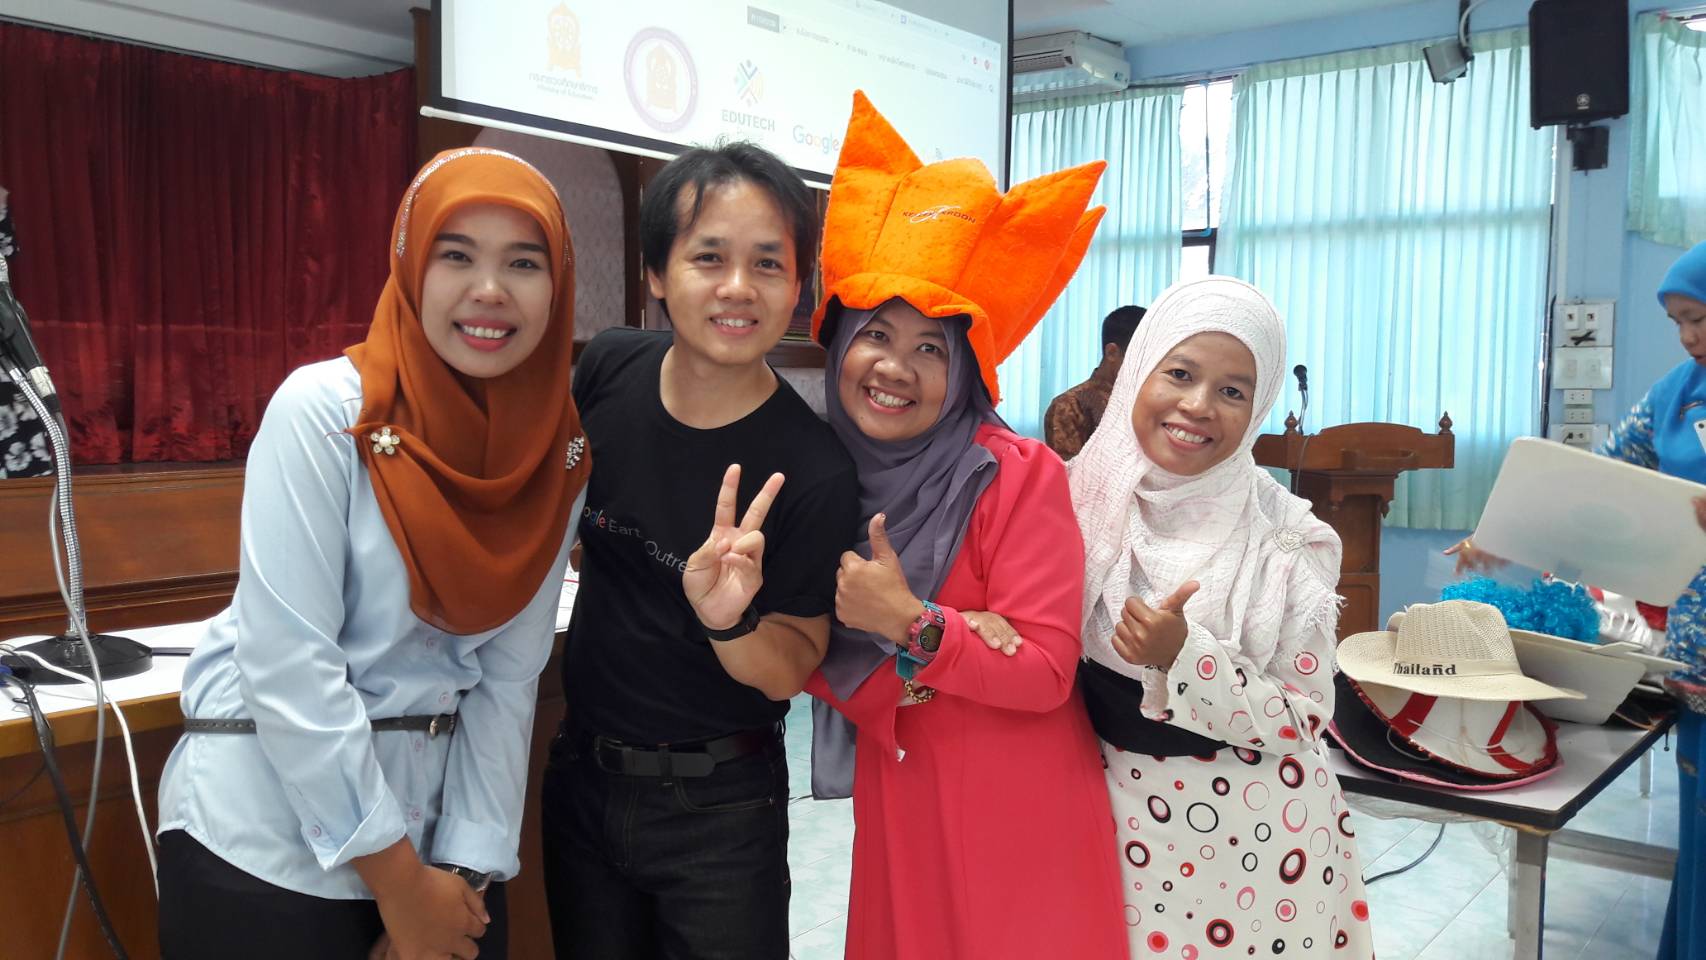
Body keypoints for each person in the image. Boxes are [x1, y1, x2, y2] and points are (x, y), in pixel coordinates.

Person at [155, 147, 589, 959]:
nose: (489, 289)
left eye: (523, 263)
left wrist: (459, 874)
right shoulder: (325, 414)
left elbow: (508, 683)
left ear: (559, 285)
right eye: (455, 256)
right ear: (410, 263)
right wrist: (398, 885)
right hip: (267, 844)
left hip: (441, 855)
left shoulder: (555, 457)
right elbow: (290, 665)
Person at [804, 91, 1126, 960]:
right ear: (841, 343)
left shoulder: (1015, 474)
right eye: (877, 334)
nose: (895, 368)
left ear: (967, 372)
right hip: (902, 791)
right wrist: (958, 639)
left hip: (1017, 806)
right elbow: (811, 654)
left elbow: (1044, 670)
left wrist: (913, 624)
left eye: (931, 349)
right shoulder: (822, 478)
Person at [539, 140, 857, 959]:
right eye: (708, 257)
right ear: (656, 272)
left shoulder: (813, 466)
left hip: (720, 808)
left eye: (768, 264)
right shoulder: (610, 367)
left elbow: (791, 664)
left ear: (798, 287)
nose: (738, 287)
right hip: (582, 776)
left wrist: (728, 622)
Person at [1069, 276, 1375, 959]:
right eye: (1179, 373)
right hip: (1110, 823)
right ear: (1138, 369)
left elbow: (1304, 716)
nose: (1199, 406)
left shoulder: (1290, 541)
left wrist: (1185, 658)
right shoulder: (1077, 501)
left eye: (1233, 391)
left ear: (1258, 407)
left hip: (1252, 847)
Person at [1448, 239, 1706, 960]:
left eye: (1698, 319)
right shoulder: (1675, 394)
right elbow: (1594, 488)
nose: (1687, 337)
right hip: (1697, 671)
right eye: (1678, 322)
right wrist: (1503, 533)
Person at [1044, 304, 1146, 459]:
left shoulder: (1148, 401)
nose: (1150, 366)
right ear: (1112, 352)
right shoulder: (1070, 405)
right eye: (1142, 358)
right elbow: (1068, 472)